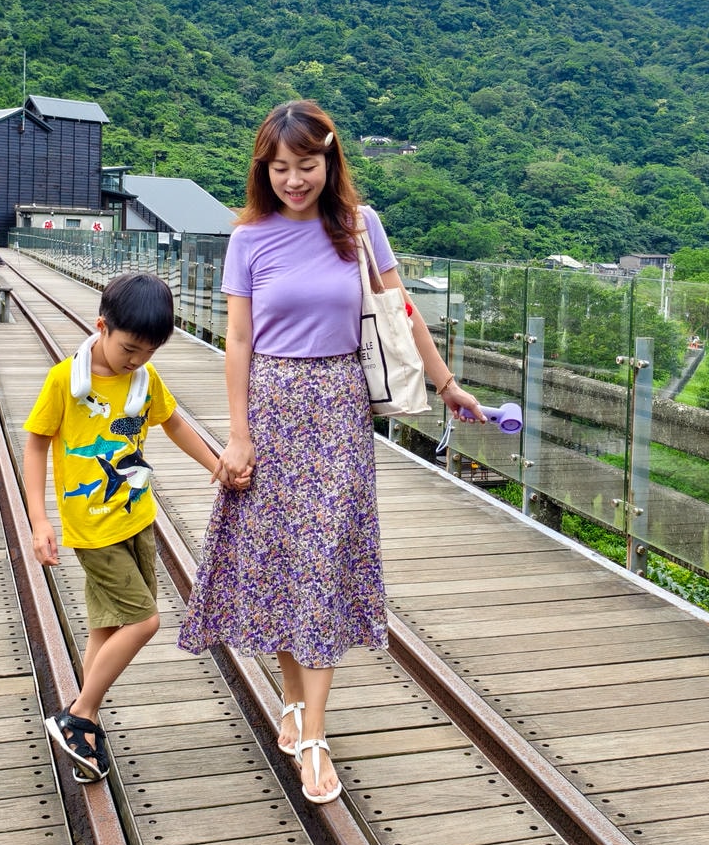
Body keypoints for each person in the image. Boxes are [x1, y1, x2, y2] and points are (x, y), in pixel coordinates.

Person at [177, 100, 482, 803]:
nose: (293, 180)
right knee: (285, 563)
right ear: (264, 169)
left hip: (339, 413)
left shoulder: (359, 226)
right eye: (280, 168)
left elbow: (401, 315)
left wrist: (447, 385)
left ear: (330, 159)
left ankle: (314, 734)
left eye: (306, 166)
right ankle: (292, 701)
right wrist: (239, 432)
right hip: (272, 407)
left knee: (321, 563)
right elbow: (238, 342)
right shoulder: (249, 237)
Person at [24, 271, 223, 781]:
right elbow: (37, 443)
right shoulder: (65, 381)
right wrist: (39, 518)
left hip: (137, 517)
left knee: (108, 626)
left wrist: (217, 465)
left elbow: (174, 422)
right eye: (129, 348)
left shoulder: (143, 380)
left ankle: (81, 733)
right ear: (102, 327)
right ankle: (80, 715)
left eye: (148, 352)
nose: (136, 360)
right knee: (145, 620)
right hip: (92, 528)